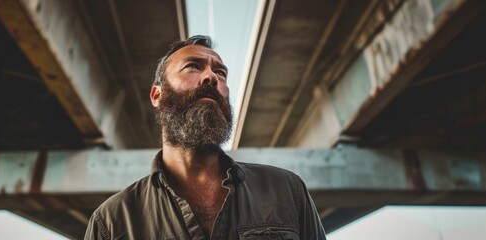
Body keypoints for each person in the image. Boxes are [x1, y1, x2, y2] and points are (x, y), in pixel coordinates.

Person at [84, 35, 326, 240]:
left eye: (220, 72)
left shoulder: (285, 191)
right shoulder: (111, 222)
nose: (211, 77)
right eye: (193, 66)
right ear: (157, 95)